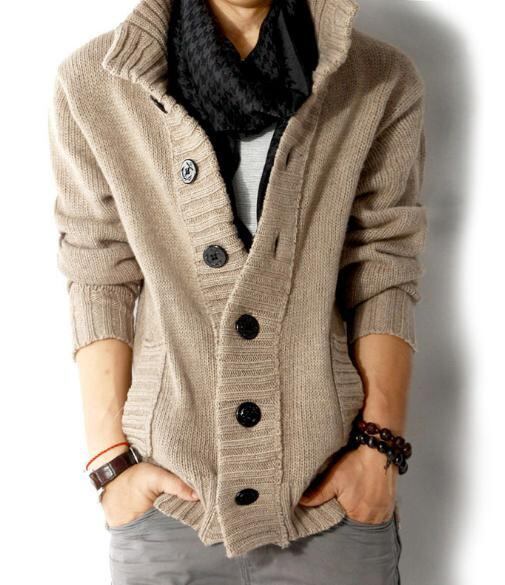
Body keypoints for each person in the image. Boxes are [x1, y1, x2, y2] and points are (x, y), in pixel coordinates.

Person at [48, 0, 427, 583]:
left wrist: (380, 450)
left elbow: (384, 266)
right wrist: (111, 468)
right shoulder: (94, 82)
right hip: (167, 504)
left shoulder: (376, 78)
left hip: (330, 497)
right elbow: (98, 272)